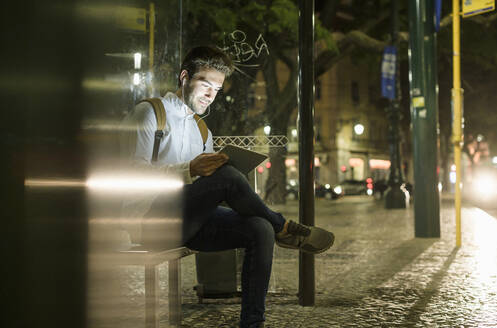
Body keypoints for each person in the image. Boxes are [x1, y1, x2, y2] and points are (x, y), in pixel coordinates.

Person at [120, 46, 335, 328]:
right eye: (205, 84)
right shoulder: (150, 113)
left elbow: (203, 190)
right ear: (185, 78)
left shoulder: (202, 131)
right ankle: (284, 227)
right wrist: (190, 171)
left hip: (190, 222)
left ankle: (252, 323)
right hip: (149, 221)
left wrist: (211, 179)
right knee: (227, 177)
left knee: (260, 228)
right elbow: (131, 177)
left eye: (217, 89)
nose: (211, 95)